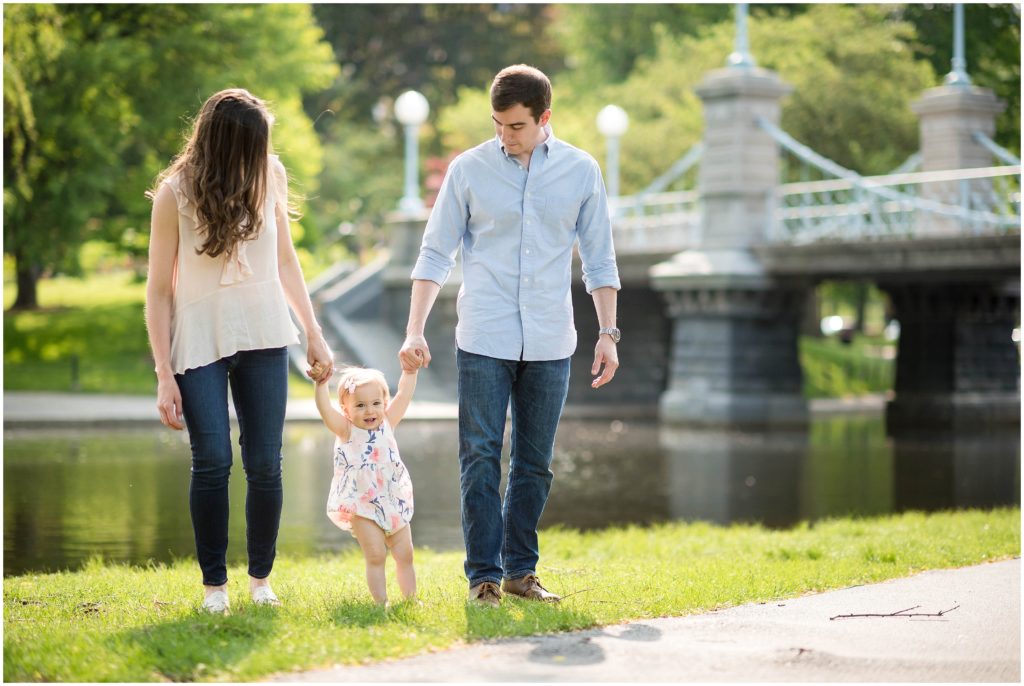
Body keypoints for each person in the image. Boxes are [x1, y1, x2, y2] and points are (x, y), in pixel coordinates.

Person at [398, 64, 621, 608]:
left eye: (516, 125)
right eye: (497, 123)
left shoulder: (580, 171)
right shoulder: (469, 169)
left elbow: (598, 257)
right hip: (483, 335)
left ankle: (522, 572)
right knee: (478, 456)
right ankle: (483, 577)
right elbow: (435, 251)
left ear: (545, 118)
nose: (504, 135)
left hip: (550, 338)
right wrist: (414, 329)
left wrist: (608, 332)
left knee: (534, 463)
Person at [145, 88, 334, 614]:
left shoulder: (269, 173)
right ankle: (214, 589)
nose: (264, 152)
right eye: (256, 144)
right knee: (212, 461)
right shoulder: (174, 195)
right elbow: (158, 290)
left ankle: (260, 581)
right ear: (229, 145)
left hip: (266, 335)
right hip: (199, 341)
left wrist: (313, 332)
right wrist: (164, 374)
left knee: (265, 465)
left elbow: (287, 261)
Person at [313, 363, 418, 605]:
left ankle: (411, 600)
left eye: (375, 403)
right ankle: (381, 603)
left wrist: (410, 372)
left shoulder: (387, 423)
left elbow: (404, 394)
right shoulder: (346, 430)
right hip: (362, 505)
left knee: (405, 553)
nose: (369, 410)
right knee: (376, 554)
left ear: (384, 403)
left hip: (393, 499)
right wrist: (320, 385)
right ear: (346, 410)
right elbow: (325, 409)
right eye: (360, 405)